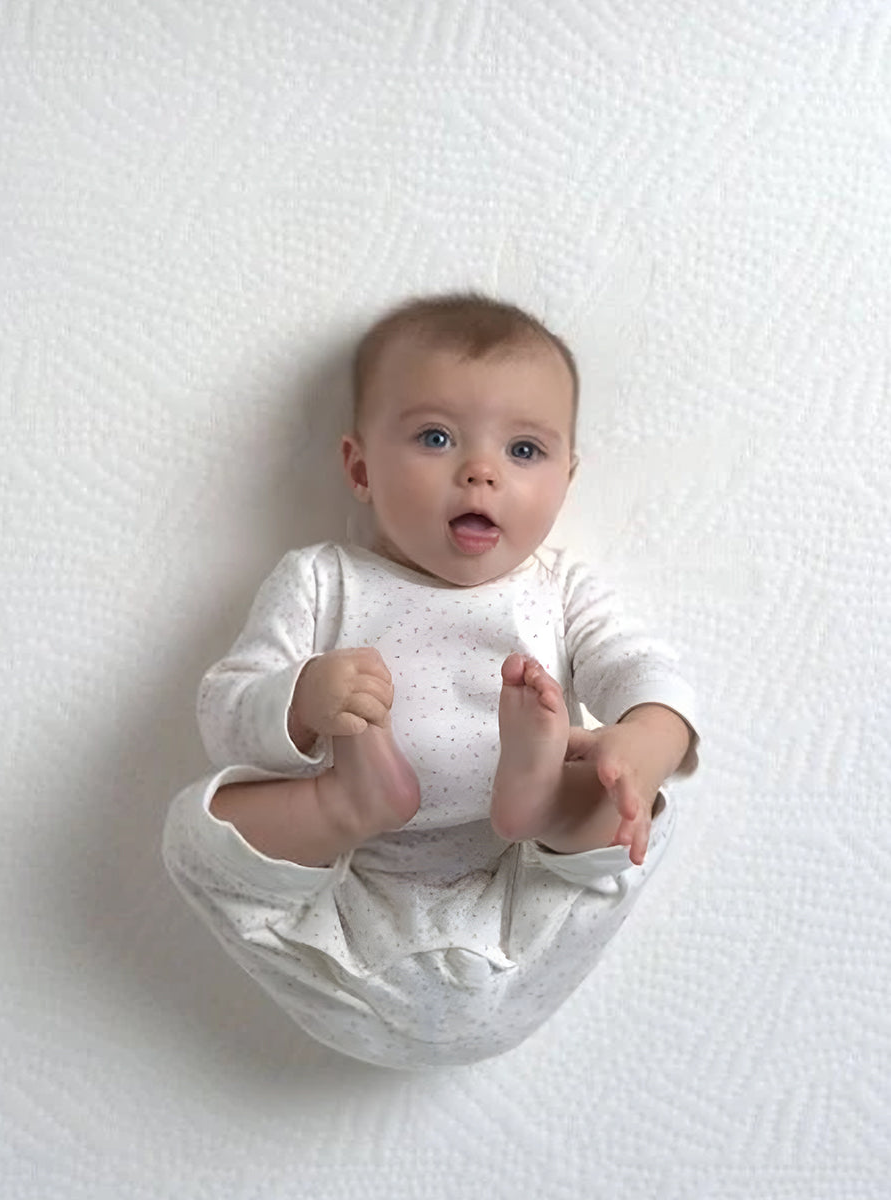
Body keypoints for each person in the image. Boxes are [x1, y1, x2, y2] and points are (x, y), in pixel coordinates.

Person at [163, 293, 700, 1068]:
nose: (480, 472)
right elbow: (224, 708)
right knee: (200, 830)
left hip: (515, 879)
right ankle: (346, 799)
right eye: (436, 437)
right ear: (360, 467)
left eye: (524, 451)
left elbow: (643, 665)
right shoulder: (322, 580)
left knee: (629, 813)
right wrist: (302, 700)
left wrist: (644, 741)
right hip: (342, 885)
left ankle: (543, 793)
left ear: (567, 478)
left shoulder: (557, 589)